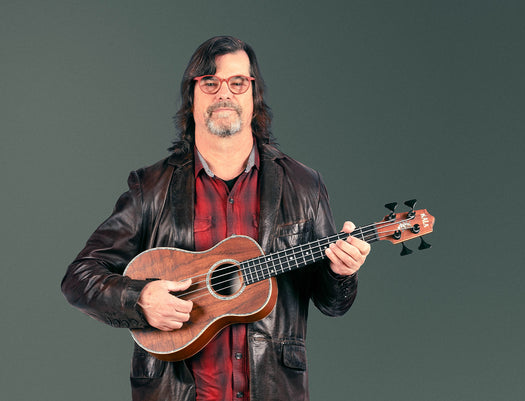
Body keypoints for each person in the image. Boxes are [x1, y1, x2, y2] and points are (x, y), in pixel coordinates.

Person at [61, 36, 370, 401]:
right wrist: (140, 299)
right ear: (192, 98)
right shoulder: (152, 187)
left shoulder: (303, 185)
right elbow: (80, 277)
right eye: (210, 82)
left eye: (237, 82)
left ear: (253, 96)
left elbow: (332, 303)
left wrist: (341, 273)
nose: (224, 93)